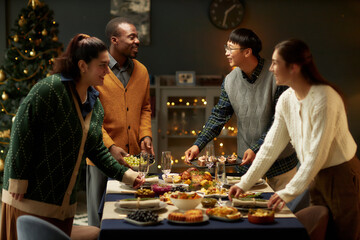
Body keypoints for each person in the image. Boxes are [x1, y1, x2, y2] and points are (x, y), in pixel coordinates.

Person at [0, 33, 143, 240]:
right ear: (83, 65)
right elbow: (22, 133)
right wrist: (17, 179)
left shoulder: (95, 104)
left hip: (63, 206)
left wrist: (128, 176)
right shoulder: (50, 89)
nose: (107, 71)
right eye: (102, 65)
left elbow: (96, 150)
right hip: (27, 199)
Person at [228, 39, 360, 240]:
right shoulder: (287, 99)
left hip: (340, 173)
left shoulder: (325, 98)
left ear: (294, 67)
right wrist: (244, 183)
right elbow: (270, 146)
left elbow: (317, 154)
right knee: (321, 232)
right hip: (316, 175)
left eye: (275, 63)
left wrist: (288, 192)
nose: (271, 68)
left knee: (343, 234)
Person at [184, 28, 298, 191]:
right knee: (248, 212)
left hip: (280, 166)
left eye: (230, 48)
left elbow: (278, 122)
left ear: (247, 52)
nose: (226, 53)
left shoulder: (276, 75)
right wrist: (198, 145)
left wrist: (256, 148)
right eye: (226, 48)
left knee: (284, 215)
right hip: (248, 165)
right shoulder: (230, 81)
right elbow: (219, 116)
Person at [86, 17, 154, 227]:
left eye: (137, 36)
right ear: (114, 40)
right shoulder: (96, 71)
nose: (137, 41)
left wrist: (145, 135)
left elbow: (145, 107)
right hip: (100, 156)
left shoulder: (142, 71)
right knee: (99, 217)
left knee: (132, 210)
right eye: (131, 37)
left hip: (133, 157)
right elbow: (89, 115)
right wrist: (110, 146)